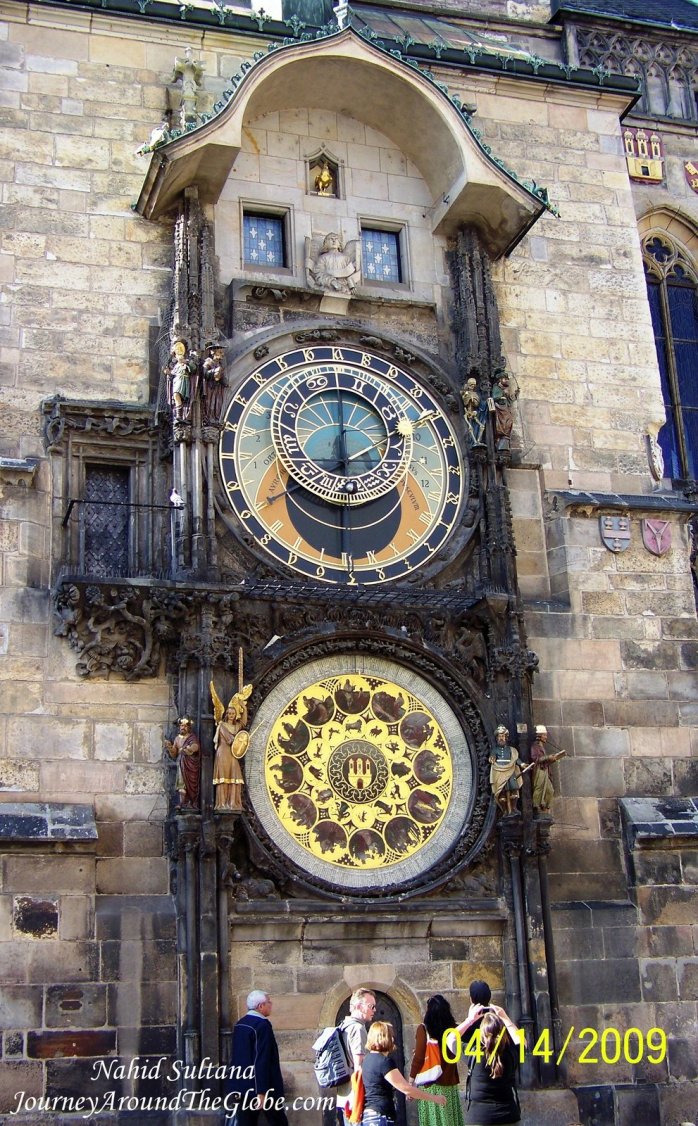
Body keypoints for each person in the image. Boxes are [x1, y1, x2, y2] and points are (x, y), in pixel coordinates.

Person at [361, 1020, 446, 1126]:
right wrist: (434, 1098)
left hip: (369, 1115)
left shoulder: (367, 1059)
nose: (393, 1039)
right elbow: (406, 1088)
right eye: (390, 1035)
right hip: (380, 1116)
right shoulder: (384, 1062)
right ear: (385, 1038)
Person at [229, 990, 288, 1125]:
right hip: (263, 1086)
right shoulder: (261, 1026)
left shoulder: (240, 1024)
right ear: (260, 1006)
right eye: (268, 1002)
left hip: (242, 1085)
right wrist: (261, 1091)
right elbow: (262, 1059)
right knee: (278, 1121)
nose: (271, 1005)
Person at [409, 994, 465, 1126]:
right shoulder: (454, 1029)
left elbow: (419, 1057)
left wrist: (411, 1081)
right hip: (449, 1084)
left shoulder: (423, 1029)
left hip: (430, 1086)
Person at [462, 1006, 523, 1126]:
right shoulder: (511, 1053)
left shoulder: (473, 1054)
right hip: (509, 1116)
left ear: (482, 1035)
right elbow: (521, 1040)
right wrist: (504, 1017)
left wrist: (470, 1019)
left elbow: (450, 1039)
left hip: (479, 1118)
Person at [335, 987, 376, 1125]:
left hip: (345, 1093)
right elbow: (360, 1066)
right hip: (356, 1095)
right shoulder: (357, 1029)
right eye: (371, 1006)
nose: (374, 1010)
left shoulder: (344, 1025)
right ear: (358, 1006)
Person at [211, 681, 253, 811]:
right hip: (223, 752)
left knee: (235, 776)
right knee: (223, 777)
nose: (230, 715)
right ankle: (222, 803)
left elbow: (244, 722)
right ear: (225, 714)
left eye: (233, 713)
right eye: (229, 713)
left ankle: (233, 803)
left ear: (235, 715)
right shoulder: (222, 726)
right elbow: (230, 740)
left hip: (233, 753)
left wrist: (243, 707)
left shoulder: (236, 726)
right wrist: (239, 741)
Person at [163, 716, 200, 808]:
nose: (182, 728)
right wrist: (170, 747)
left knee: (190, 784)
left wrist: (190, 749)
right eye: (181, 726)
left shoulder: (192, 737)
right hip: (181, 763)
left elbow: (196, 747)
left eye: (185, 726)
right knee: (181, 784)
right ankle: (182, 803)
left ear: (188, 727)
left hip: (190, 764)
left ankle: (191, 802)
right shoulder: (177, 739)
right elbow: (174, 754)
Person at [488, 726, 522, 815]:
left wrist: (522, 764)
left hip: (510, 770)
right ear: (497, 738)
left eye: (503, 736)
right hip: (499, 770)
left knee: (514, 790)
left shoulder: (510, 750)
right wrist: (492, 758)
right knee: (501, 793)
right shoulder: (495, 750)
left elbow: (515, 759)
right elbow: (492, 757)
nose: (501, 738)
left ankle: (513, 808)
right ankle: (505, 810)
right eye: (499, 736)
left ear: (506, 738)